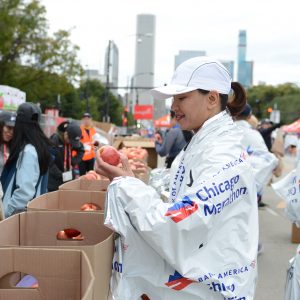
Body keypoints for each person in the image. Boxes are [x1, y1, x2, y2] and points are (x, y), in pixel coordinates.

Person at [95, 57, 258, 299]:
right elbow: (179, 196)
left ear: (212, 99)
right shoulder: (203, 142)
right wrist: (136, 178)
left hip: (212, 287)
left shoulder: (221, 153)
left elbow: (179, 225)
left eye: (182, 98)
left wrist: (127, 185)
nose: (173, 106)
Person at [1, 103, 51, 218]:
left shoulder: (29, 151)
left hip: (16, 218)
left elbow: (24, 192)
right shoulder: (38, 147)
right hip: (30, 215)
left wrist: (6, 214)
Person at [48, 121, 84, 192]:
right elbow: (49, 162)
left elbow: (81, 149)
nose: (72, 143)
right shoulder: (54, 141)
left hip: (69, 177)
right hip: (55, 180)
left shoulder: (73, 138)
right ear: (66, 134)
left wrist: (73, 162)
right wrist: (60, 175)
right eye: (70, 141)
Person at [0, 111, 16, 220]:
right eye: (8, 128)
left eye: (14, 129)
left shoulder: (13, 147)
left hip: (6, 196)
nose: (11, 132)